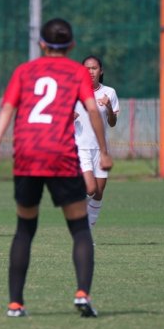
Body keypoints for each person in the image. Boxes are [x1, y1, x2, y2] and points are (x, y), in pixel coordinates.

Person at [0, 18, 113, 318]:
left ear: (41, 43)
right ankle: (82, 293)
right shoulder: (78, 71)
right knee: (79, 227)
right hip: (61, 155)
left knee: (25, 228)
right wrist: (104, 152)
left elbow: (7, 110)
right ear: (72, 45)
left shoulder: (24, 71)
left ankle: (15, 303)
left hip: (27, 154)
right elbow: (93, 110)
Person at [73, 55, 119, 235]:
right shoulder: (74, 91)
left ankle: (86, 233)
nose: (90, 72)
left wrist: (108, 107)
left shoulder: (109, 93)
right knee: (90, 188)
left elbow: (113, 122)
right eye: (86, 68)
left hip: (100, 149)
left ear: (101, 71)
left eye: (94, 68)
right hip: (81, 146)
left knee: (99, 192)